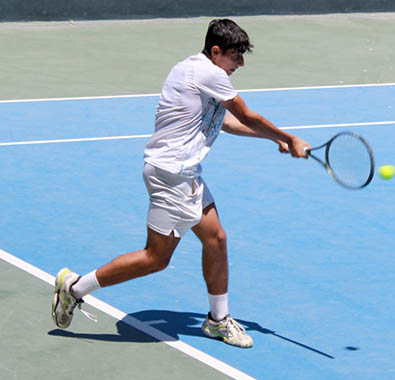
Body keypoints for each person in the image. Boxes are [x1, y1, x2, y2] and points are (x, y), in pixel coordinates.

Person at [52, 18, 310, 348]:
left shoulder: (191, 68)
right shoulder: (209, 73)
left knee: (216, 239)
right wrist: (289, 136)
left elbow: (227, 122)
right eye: (236, 56)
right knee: (155, 258)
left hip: (184, 175)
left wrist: (272, 140)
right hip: (172, 176)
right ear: (216, 52)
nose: (240, 63)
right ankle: (74, 287)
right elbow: (245, 114)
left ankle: (217, 320)